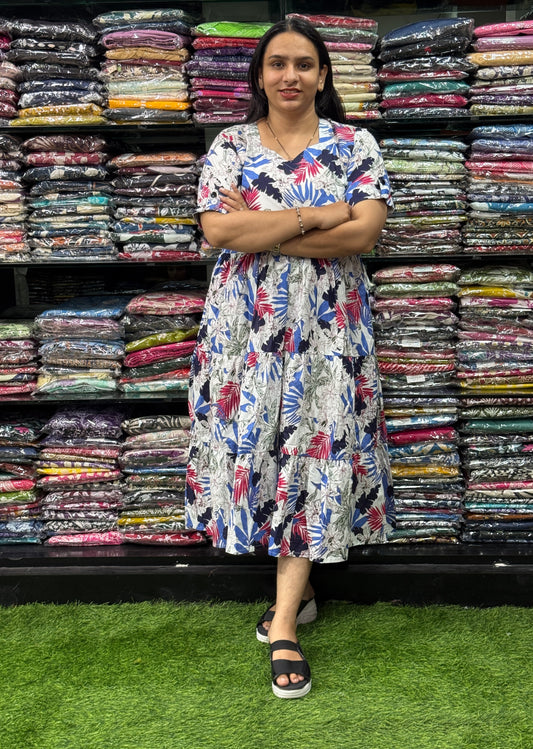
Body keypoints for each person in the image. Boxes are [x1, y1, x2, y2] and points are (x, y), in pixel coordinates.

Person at [186, 16, 395, 700]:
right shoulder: (230, 144)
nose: (290, 75)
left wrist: (265, 225)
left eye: (303, 63)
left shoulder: (354, 144)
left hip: (329, 325)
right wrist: (319, 214)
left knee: (315, 450)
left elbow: (363, 234)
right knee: (260, 447)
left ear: (322, 74)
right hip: (244, 329)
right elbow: (219, 231)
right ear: (259, 74)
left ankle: (282, 624)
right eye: (277, 63)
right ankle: (296, 596)